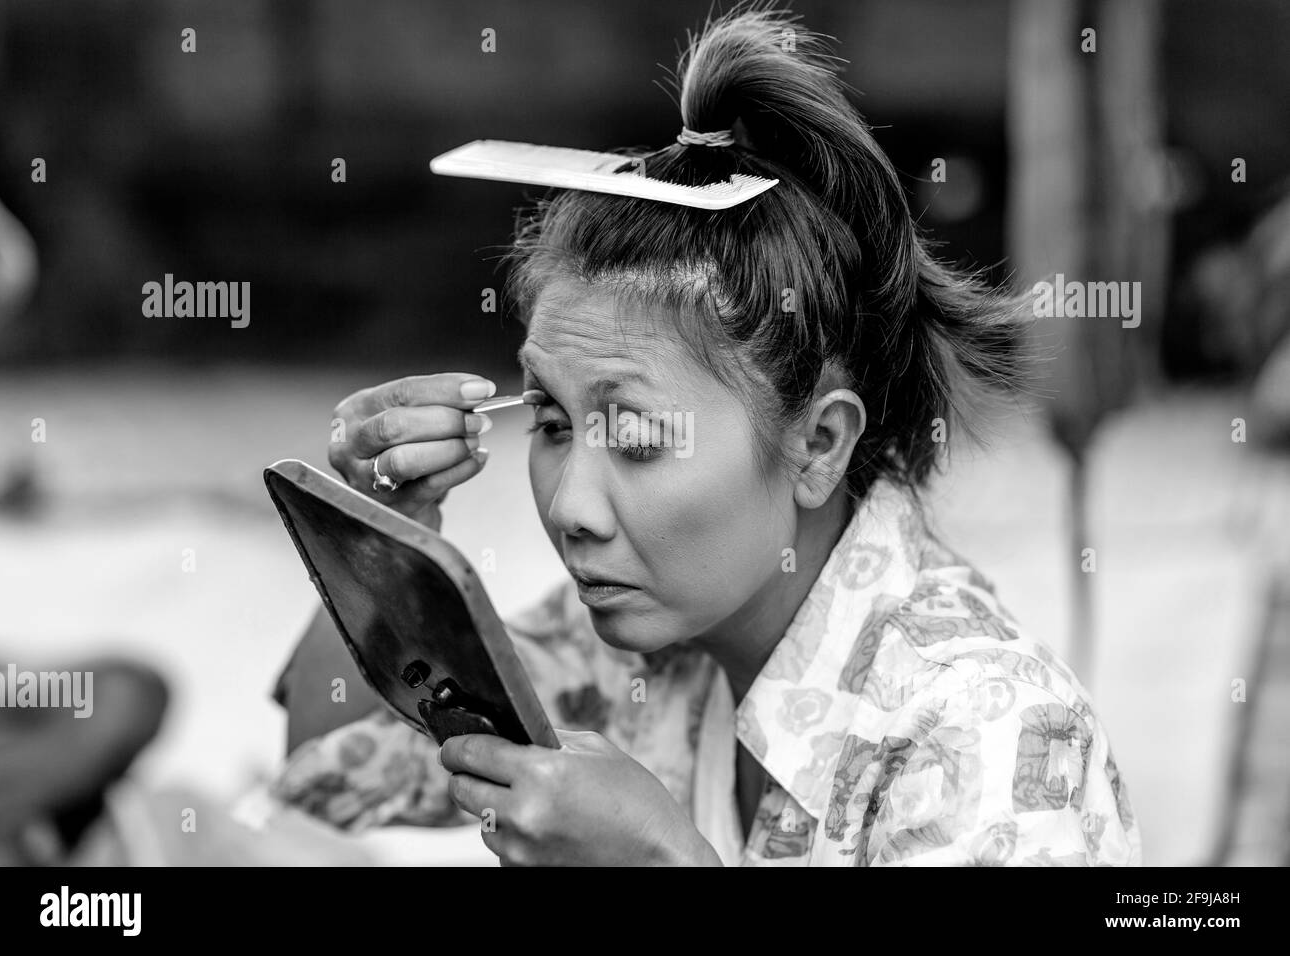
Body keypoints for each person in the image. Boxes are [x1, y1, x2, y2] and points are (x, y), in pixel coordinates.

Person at [271, 7, 1142, 866]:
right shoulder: (616, 653)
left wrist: (665, 861)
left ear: (819, 445)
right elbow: (326, 777)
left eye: (640, 439)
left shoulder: (990, 736)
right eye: (549, 422)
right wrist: (385, 536)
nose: (572, 508)